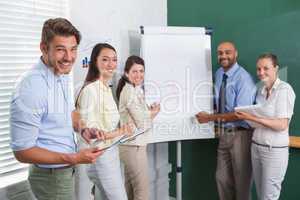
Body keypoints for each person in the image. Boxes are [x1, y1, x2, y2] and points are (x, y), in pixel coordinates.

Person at [9, 18, 104, 200]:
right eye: (61, 49)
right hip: (51, 177)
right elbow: (22, 151)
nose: (69, 57)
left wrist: (83, 129)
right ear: (44, 48)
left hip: (64, 172)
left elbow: (67, 112)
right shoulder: (31, 88)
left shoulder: (60, 74)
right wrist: (74, 158)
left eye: (73, 49)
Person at [196, 41, 256, 200]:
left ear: (236, 54)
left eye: (227, 52)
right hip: (224, 134)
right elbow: (220, 105)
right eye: (220, 53)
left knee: (242, 185)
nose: (223, 56)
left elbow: (239, 114)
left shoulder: (243, 78)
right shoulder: (218, 74)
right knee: (221, 179)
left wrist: (208, 118)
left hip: (241, 136)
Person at [76, 43, 133, 200]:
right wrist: (122, 131)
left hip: (111, 153)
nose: (111, 64)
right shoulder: (90, 90)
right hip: (101, 156)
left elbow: (107, 125)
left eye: (114, 60)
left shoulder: (106, 88)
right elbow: (92, 134)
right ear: (95, 61)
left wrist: (123, 130)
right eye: (105, 59)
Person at [235, 53, 295, 200]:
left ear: (276, 68)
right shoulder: (261, 91)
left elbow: (282, 124)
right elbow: (261, 118)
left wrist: (251, 117)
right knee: (261, 194)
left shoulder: (284, 90)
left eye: (265, 68)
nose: (261, 73)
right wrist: (249, 118)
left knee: (269, 197)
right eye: (258, 69)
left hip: (274, 151)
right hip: (256, 147)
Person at [116, 56, 160, 200]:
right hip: (133, 146)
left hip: (132, 145)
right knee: (142, 191)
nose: (139, 75)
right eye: (134, 71)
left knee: (131, 190)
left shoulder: (136, 90)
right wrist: (154, 113)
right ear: (126, 73)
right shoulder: (129, 92)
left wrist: (149, 111)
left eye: (141, 71)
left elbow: (141, 116)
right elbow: (142, 123)